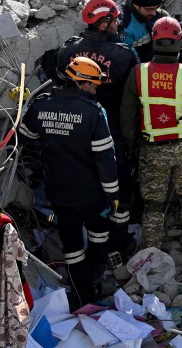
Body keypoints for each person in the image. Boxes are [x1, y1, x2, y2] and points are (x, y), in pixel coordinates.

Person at [20, 57, 119, 306]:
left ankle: (82, 292)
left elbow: (24, 138)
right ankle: (95, 273)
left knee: (71, 243)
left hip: (58, 191)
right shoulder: (94, 113)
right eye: (94, 85)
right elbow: (105, 160)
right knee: (99, 232)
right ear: (83, 84)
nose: (96, 90)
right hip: (91, 192)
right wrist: (113, 194)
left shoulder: (40, 107)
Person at [120, 17, 182, 260]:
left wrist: (131, 143)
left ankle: (153, 252)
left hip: (152, 149)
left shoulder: (138, 74)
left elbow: (127, 115)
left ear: (154, 40)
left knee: (153, 203)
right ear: (180, 41)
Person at [58, 0, 137, 243]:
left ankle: (93, 237)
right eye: (114, 21)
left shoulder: (68, 50)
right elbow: (135, 97)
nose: (118, 25)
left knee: (86, 188)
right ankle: (119, 240)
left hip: (75, 136)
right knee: (119, 189)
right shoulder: (124, 55)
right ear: (103, 24)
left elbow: (62, 83)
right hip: (113, 133)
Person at [119, 0, 170, 64]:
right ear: (137, 5)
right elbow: (128, 60)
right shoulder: (123, 23)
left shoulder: (160, 15)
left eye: (156, 8)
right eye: (149, 9)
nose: (154, 13)